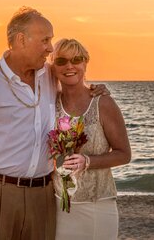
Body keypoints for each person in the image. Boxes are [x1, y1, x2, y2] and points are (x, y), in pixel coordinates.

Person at [0, 7, 107, 240]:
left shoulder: (50, 75)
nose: (50, 48)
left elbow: (74, 80)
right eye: (45, 40)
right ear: (21, 40)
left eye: (51, 40)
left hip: (43, 195)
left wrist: (96, 89)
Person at [50, 38, 131, 240]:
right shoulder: (48, 104)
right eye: (61, 61)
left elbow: (124, 154)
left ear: (85, 63)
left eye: (76, 59)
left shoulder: (103, 103)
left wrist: (88, 162)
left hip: (97, 206)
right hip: (58, 206)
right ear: (53, 67)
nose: (69, 66)